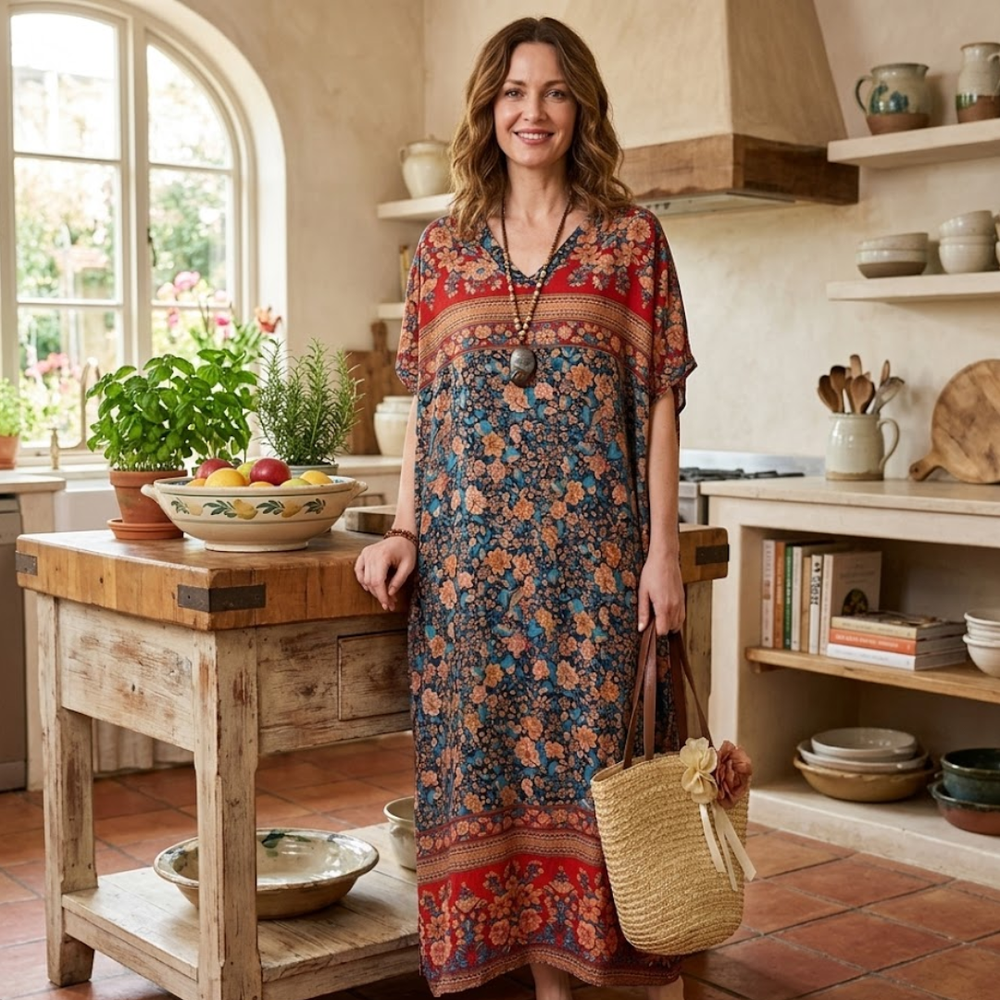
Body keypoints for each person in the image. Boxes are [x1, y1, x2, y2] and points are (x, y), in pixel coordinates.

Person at [355, 16, 695, 1000]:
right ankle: (545, 989)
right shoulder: (442, 252)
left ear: (578, 108)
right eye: (512, 92)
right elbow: (426, 405)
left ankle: (629, 971)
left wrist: (660, 551)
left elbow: (661, 393)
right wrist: (403, 525)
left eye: (551, 91)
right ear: (487, 111)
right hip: (468, 585)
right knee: (488, 788)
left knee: (599, 790)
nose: (531, 111)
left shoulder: (632, 242)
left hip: (592, 580)